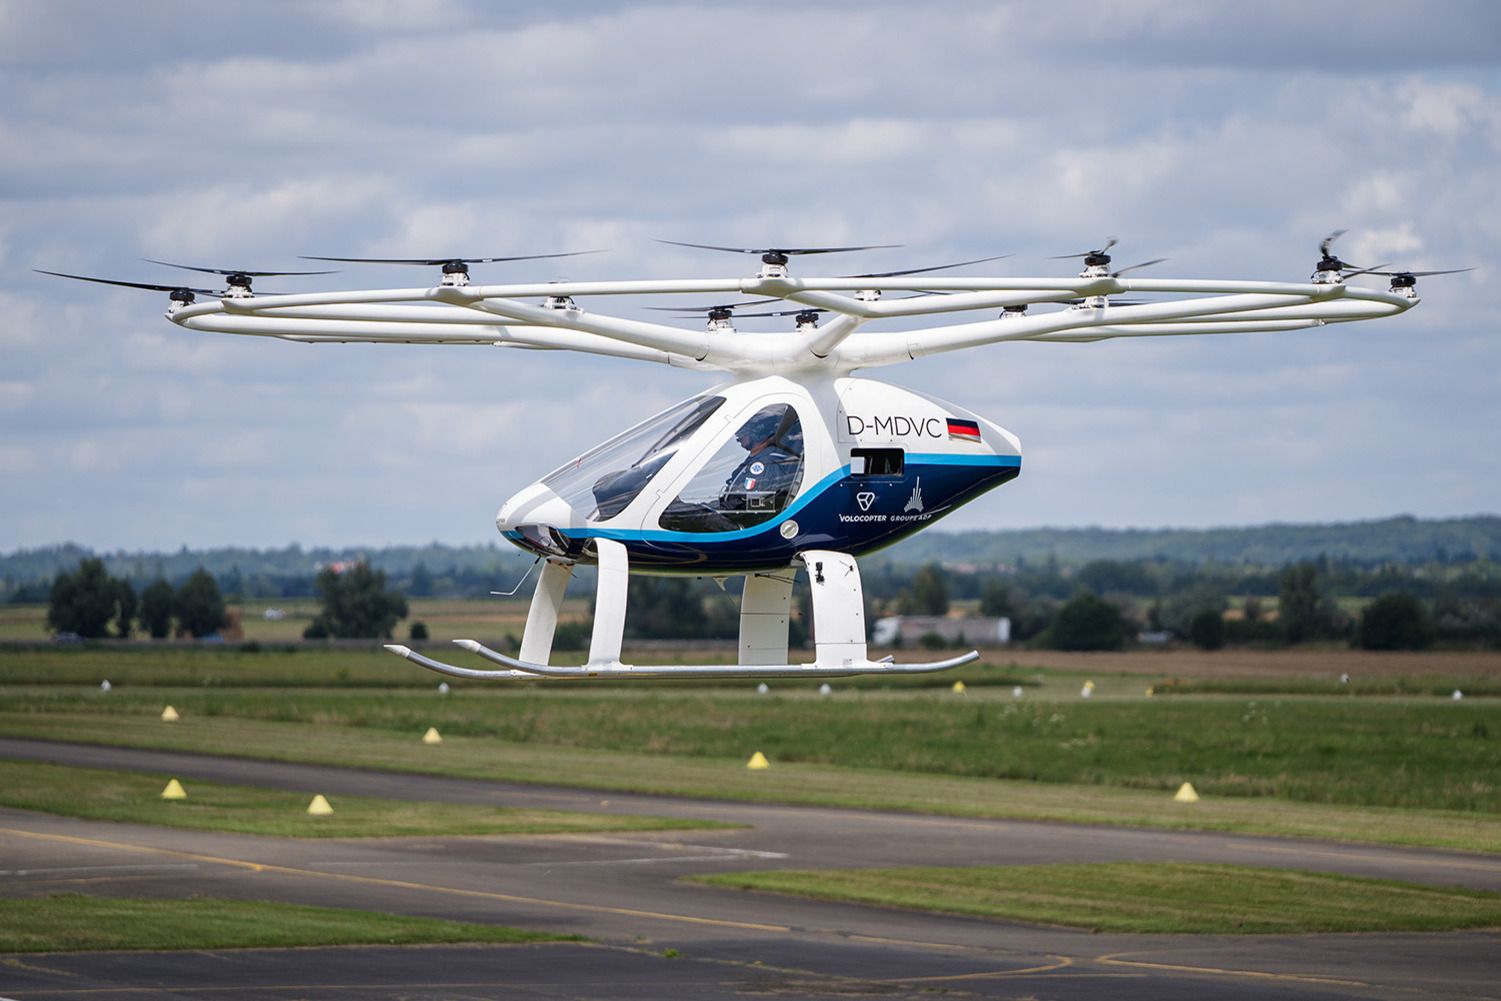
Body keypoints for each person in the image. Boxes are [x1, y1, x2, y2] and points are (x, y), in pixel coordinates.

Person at [719, 409, 802, 518]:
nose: (738, 437)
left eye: (744, 432)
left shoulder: (767, 463)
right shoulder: (753, 459)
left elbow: (750, 505)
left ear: (758, 432)